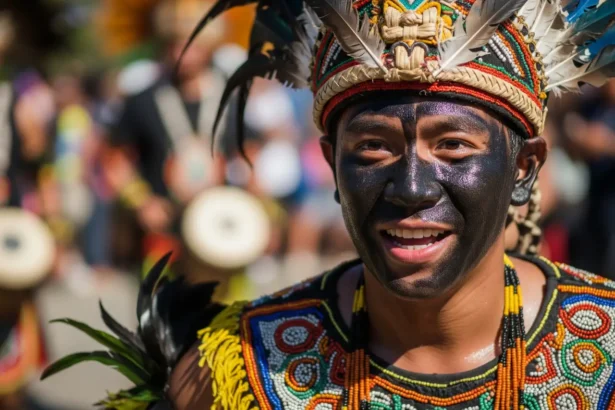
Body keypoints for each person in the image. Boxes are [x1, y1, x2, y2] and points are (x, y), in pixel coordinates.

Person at [43, 0, 615, 409]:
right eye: (373, 148)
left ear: (523, 167)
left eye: (453, 146)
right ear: (331, 164)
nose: (411, 188)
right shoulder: (238, 372)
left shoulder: (605, 348)